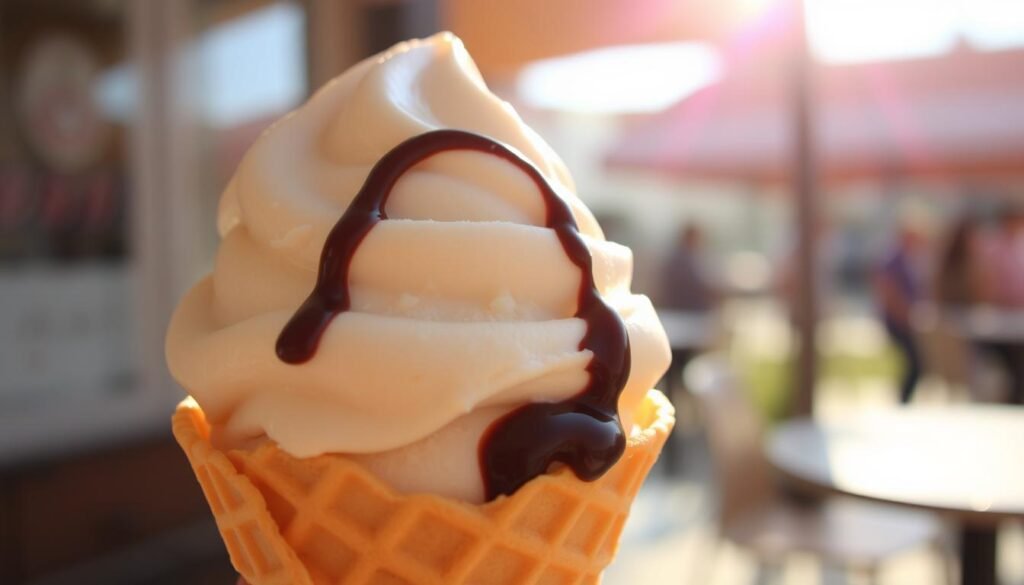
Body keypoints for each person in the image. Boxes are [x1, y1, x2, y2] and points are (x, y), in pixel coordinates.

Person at [873, 223, 928, 404]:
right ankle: (903, 403)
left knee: (914, 365)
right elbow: (887, 290)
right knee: (914, 364)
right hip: (898, 322)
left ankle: (904, 401)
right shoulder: (894, 259)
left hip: (905, 320)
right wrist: (904, 315)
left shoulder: (908, 259)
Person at [660, 223, 716, 312]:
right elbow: (694, 286)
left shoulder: (687, 257)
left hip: (684, 308)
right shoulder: (681, 259)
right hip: (685, 310)